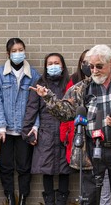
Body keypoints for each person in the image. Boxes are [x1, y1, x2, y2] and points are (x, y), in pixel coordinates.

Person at [29, 44, 111, 205]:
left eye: (99, 66)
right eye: (91, 66)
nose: (94, 70)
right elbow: (65, 113)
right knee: (89, 198)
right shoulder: (81, 88)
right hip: (91, 149)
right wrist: (48, 98)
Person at [59, 49, 111, 205]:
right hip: (85, 143)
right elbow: (65, 111)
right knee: (88, 189)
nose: (92, 69)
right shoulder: (75, 84)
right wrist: (68, 136)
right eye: (86, 64)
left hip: (109, 143)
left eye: (96, 65)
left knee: (107, 184)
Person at [0, 38, 40, 205]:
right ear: (8, 54)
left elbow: (38, 104)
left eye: (20, 49)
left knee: (24, 166)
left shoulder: (34, 75)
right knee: (5, 166)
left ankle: (22, 199)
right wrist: (1, 126)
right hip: (4, 130)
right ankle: (9, 197)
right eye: (14, 51)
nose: (18, 53)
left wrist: (35, 126)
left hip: (24, 129)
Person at [21, 53, 71, 205]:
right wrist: (27, 132)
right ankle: (49, 201)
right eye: (50, 63)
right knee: (46, 169)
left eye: (56, 63)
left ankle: (62, 201)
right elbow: (31, 108)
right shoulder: (40, 84)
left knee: (65, 169)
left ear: (62, 66)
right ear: (45, 66)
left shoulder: (69, 84)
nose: (53, 66)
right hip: (46, 133)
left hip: (65, 132)